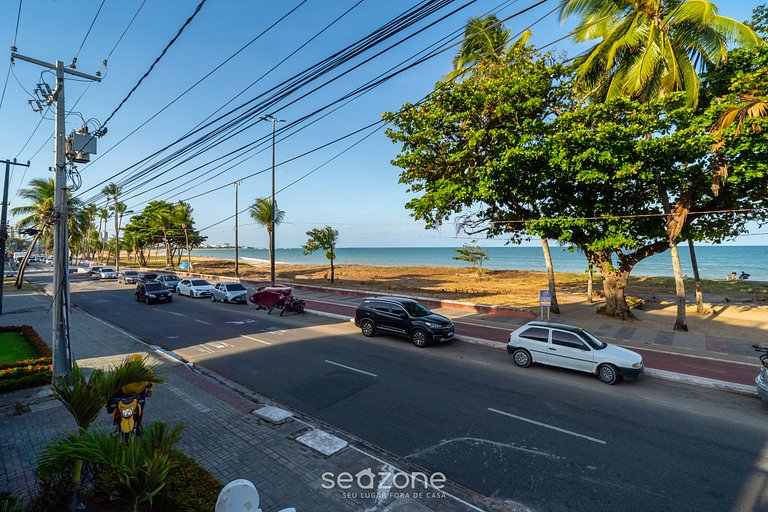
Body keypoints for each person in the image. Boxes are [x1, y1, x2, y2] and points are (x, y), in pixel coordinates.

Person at [106, 354, 154, 436]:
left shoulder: (146, 370)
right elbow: (114, 380)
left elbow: (151, 380)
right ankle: (117, 420)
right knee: (113, 405)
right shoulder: (123, 369)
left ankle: (139, 425)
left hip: (139, 393)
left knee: (140, 408)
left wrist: (149, 390)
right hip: (123, 393)